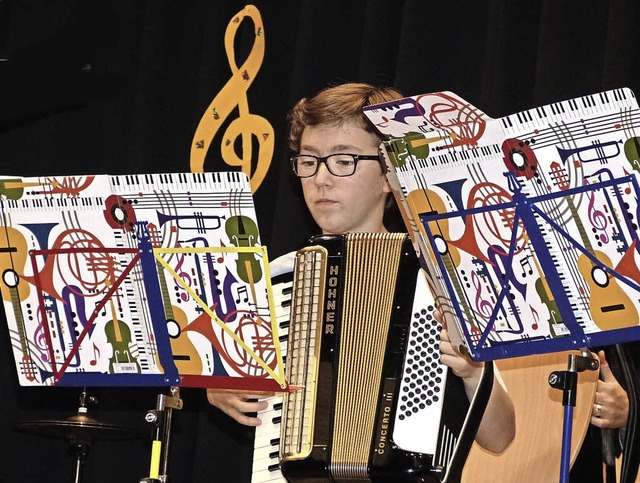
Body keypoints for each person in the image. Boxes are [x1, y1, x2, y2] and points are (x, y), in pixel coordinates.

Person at [207, 82, 516, 455]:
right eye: (309, 161)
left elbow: (500, 438)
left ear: (390, 176)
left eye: (343, 161)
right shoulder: (277, 279)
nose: (321, 178)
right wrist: (220, 386)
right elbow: (228, 373)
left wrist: (472, 372)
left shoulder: (438, 273)